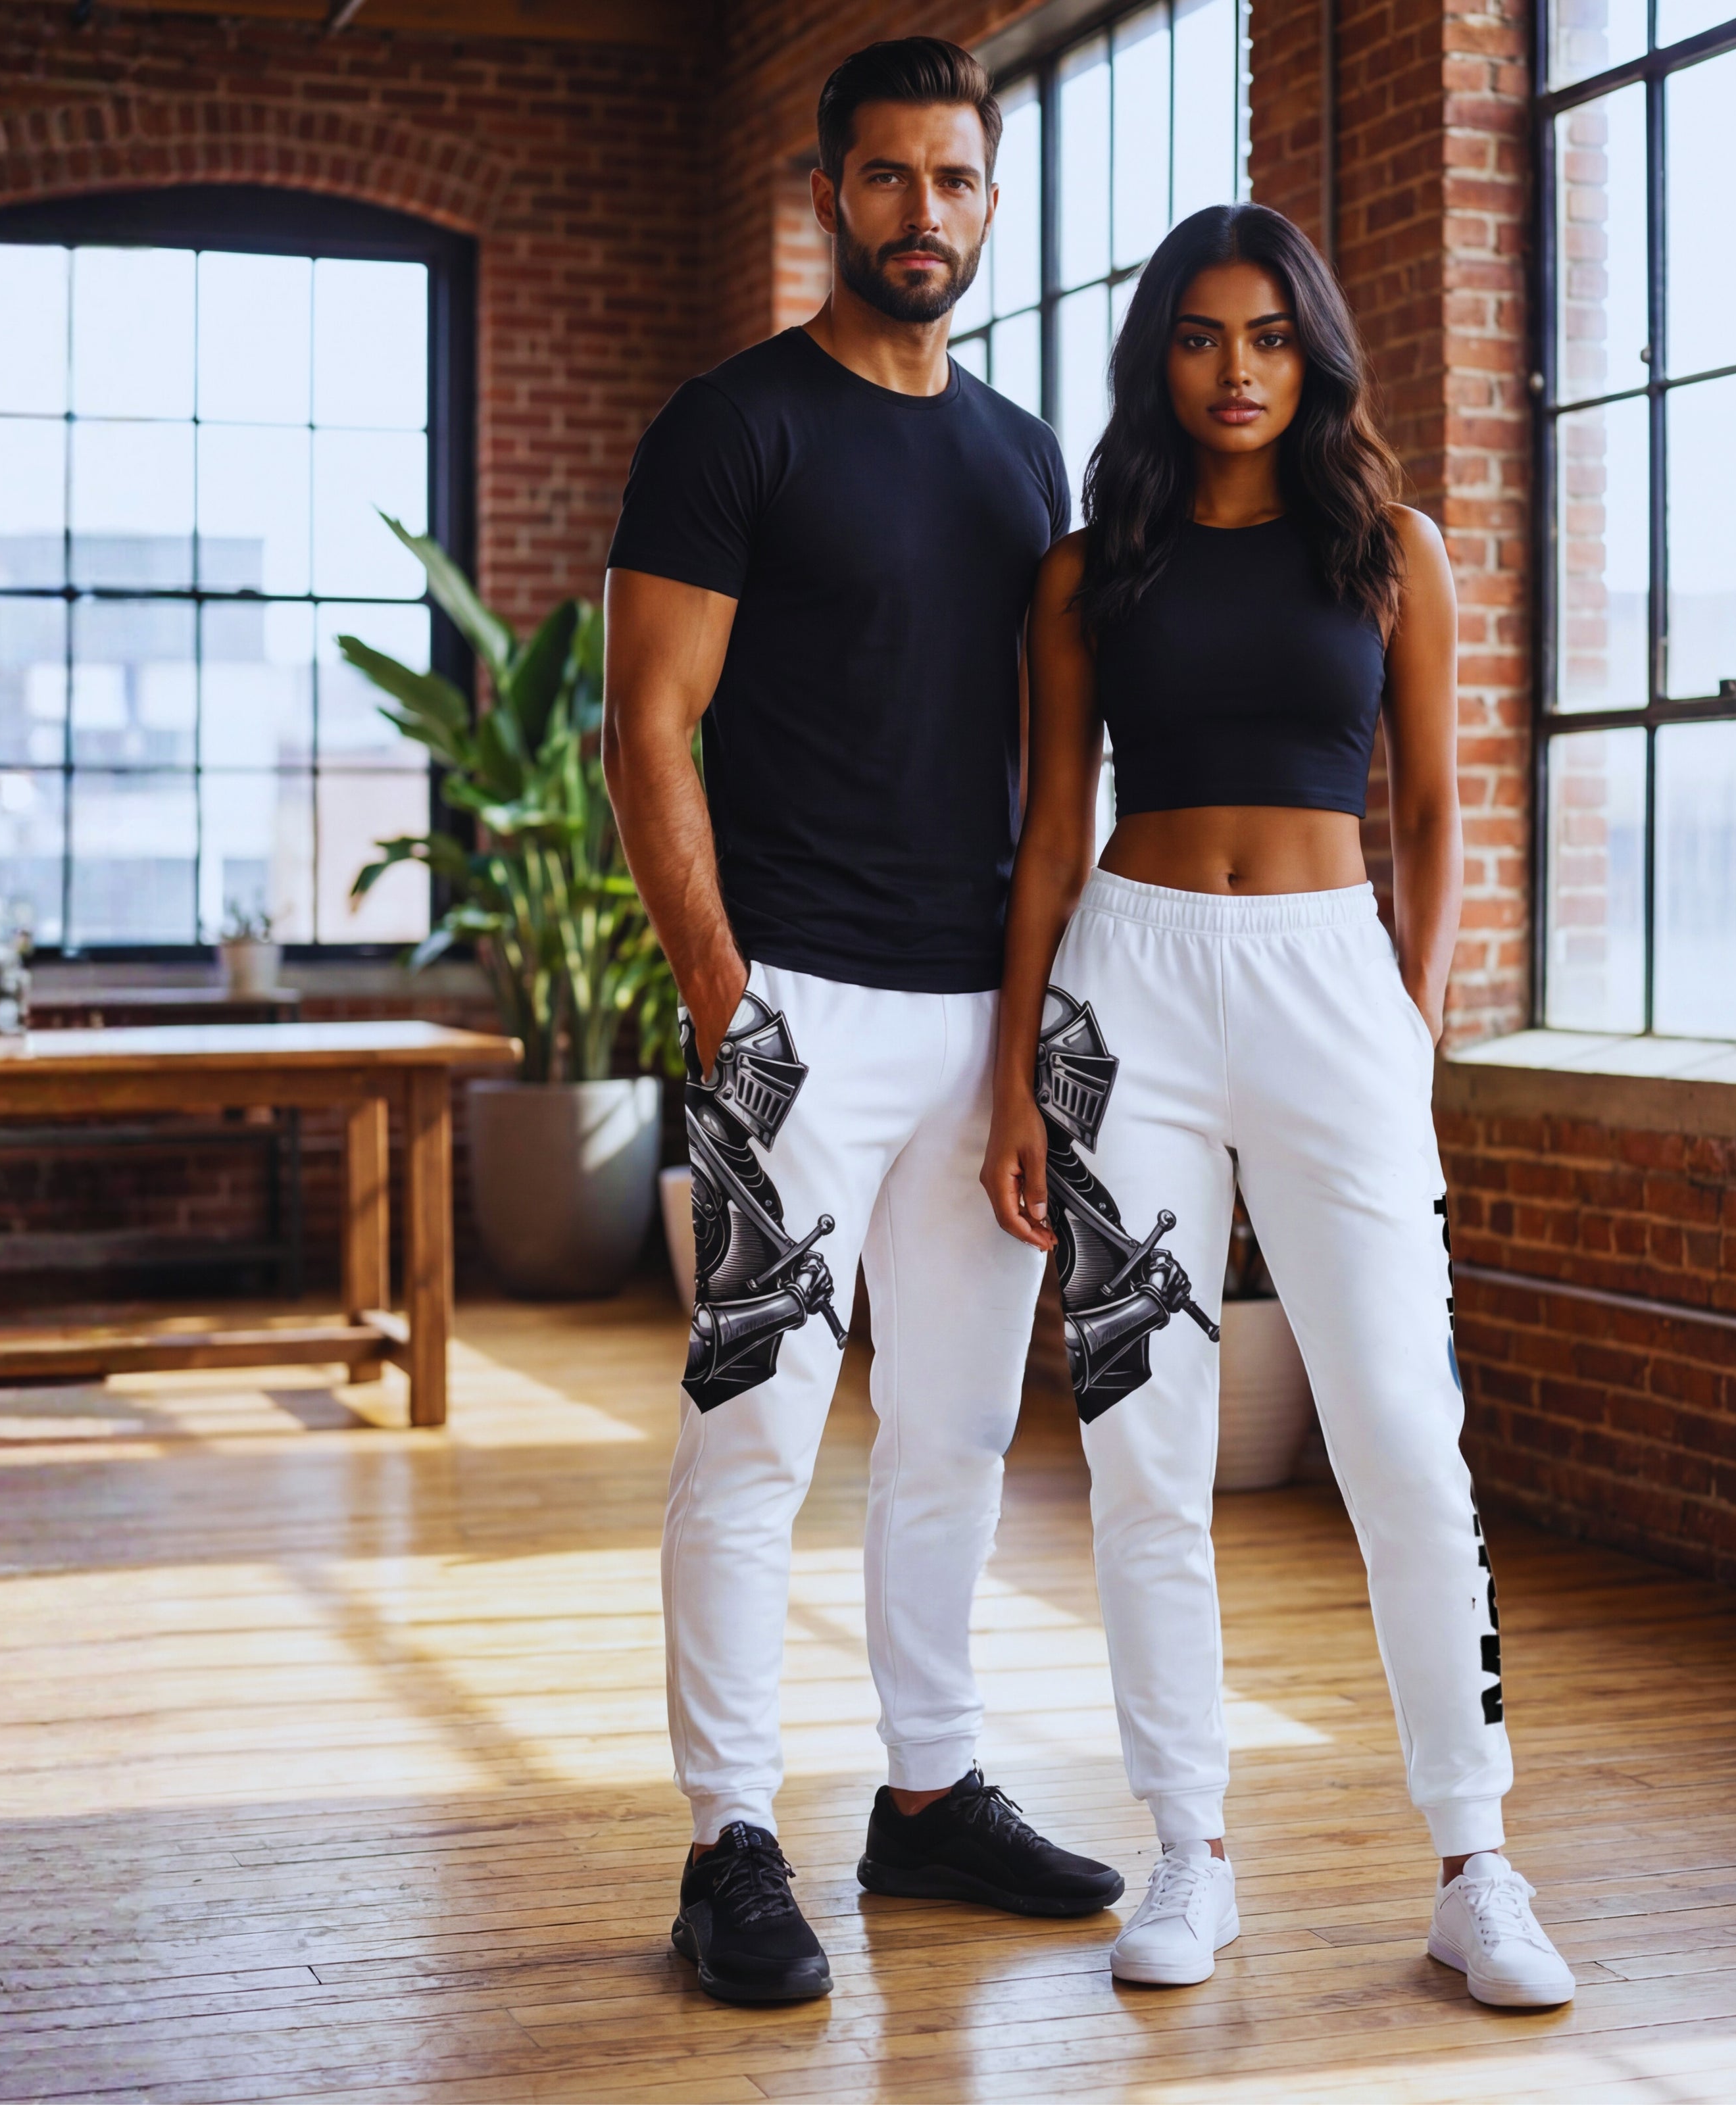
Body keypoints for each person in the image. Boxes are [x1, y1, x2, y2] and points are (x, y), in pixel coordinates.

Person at [980, 201, 1577, 2008]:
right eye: (1198, 337)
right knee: (1143, 1448)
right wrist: (1022, 1074)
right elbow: (1045, 844)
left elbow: (1442, 809)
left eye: (1267, 336)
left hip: (1332, 990)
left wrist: (1410, 1011)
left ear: (1312, 351)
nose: (1236, 370)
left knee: (1403, 1432)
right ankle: (1190, 1849)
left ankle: (1477, 1860)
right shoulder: (1091, 571)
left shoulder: (1393, 549)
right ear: (1156, 358)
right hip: (1128, 991)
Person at [601, 37, 1124, 2008]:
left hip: (977, 1011)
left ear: (991, 201)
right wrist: (726, 1003)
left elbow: (1038, 765)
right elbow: (648, 721)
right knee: (754, 1438)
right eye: (890, 179)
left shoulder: (1019, 458)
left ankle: (928, 1800)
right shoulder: (733, 429)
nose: (925, 213)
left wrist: (1030, 1041)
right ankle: (731, 1838)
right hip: (796, 1013)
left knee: (962, 1434)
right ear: (833, 192)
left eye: (958, 181)